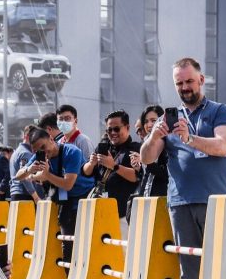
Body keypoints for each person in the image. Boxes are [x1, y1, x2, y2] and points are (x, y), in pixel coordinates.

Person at [140, 56, 226, 279]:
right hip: (180, 204)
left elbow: (223, 146)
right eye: (179, 83)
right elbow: (147, 158)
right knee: (190, 272)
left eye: (190, 81)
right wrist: (154, 136)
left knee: (219, 268)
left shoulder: (220, 111)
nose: (185, 87)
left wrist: (189, 138)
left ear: (201, 80)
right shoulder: (168, 119)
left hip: (216, 202)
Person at [19, 127, 94, 265]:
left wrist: (46, 175)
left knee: (86, 242)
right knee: (67, 243)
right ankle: (69, 277)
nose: (43, 152)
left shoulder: (72, 152)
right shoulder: (39, 157)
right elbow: (18, 176)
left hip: (86, 198)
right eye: (37, 151)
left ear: (51, 139)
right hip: (65, 201)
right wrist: (29, 170)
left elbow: (67, 184)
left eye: (43, 147)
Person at [82, 110, 141, 232]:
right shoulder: (103, 148)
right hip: (100, 210)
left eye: (116, 129)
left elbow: (136, 176)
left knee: (123, 249)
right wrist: (91, 163)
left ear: (127, 127)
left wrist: (114, 166)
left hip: (123, 213)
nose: (113, 133)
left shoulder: (135, 148)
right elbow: (86, 172)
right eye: (109, 130)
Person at [135, 105, 169, 198]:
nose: (149, 125)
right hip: (146, 195)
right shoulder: (145, 142)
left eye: (153, 120)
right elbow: (144, 176)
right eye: (145, 121)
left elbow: (167, 174)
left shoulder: (168, 141)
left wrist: (146, 161)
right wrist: (138, 167)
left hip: (162, 197)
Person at [9, 125, 42, 203]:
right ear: (27, 136)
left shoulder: (17, 151)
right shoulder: (26, 153)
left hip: (16, 193)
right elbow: (25, 177)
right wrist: (36, 197)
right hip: (24, 194)